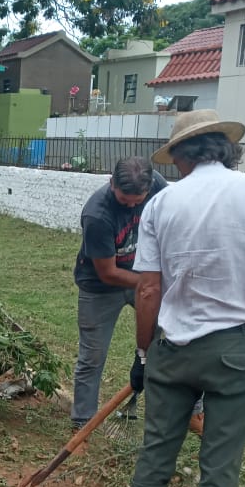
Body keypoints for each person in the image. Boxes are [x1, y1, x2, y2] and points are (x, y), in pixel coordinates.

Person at [118, 110, 245, 487]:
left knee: (156, 451)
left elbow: (148, 289)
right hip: (237, 350)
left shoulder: (163, 204)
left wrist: (143, 354)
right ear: (223, 148)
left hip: (172, 349)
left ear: (183, 156)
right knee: (220, 464)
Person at [71, 156, 167, 428]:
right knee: (93, 356)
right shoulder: (97, 214)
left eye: (139, 200)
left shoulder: (158, 186)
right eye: (126, 201)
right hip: (100, 287)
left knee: (173, 336)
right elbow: (108, 273)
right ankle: (83, 421)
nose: (134, 206)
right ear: (111, 183)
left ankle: (180, 412)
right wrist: (149, 283)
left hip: (145, 276)